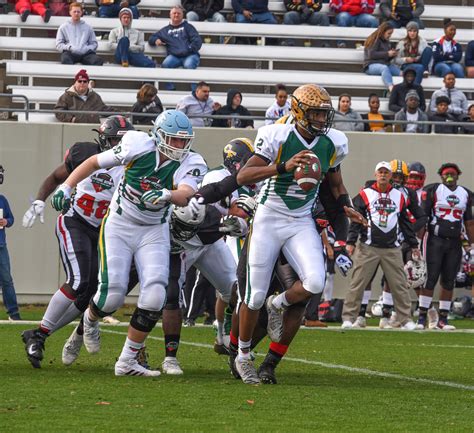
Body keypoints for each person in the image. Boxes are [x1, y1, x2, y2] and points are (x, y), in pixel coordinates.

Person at [50, 110, 207, 377]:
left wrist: (167, 194)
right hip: (120, 225)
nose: (179, 145)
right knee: (112, 295)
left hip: (154, 230)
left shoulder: (193, 161)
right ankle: (89, 320)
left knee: (156, 294)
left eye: (183, 140)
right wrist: (66, 186)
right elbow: (94, 162)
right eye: (173, 139)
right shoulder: (137, 144)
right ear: (158, 136)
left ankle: (126, 361)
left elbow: (186, 194)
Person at [233, 84, 352, 384]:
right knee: (255, 294)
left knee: (314, 281)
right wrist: (283, 166)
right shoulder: (277, 135)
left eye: (325, 113)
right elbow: (243, 176)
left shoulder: (333, 142)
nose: (322, 119)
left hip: (300, 219)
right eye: (315, 112)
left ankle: (280, 303)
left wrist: (344, 206)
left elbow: (336, 184)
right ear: (298, 111)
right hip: (269, 217)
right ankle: (243, 356)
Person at [21, 116, 136, 369]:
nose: (121, 144)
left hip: (105, 230)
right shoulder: (85, 153)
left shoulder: (133, 164)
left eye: (125, 140)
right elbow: (55, 176)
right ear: (105, 139)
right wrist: (40, 200)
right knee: (79, 281)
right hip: (75, 222)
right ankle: (41, 334)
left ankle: (39, 334)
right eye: (117, 139)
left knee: (92, 290)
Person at [341, 162, 419, 330]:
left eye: (386, 172)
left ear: (390, 176)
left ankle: (405, 320)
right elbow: (355, 220)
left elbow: (405, 222)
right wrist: (350, 242)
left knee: (399, 285)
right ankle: (349, 317)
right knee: (357, 282)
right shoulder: (365, 194)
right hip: (368, 246)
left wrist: (413, 244)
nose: (383, 175)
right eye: (380, 172)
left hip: (392, 248)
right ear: (375, 174)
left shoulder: (399, 196)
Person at [417, 163, 473, 330]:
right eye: (446, 173)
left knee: (449, 280)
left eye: (453, 174)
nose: (449, 176)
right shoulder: (434, 190)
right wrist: (418, 242)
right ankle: (422, 318)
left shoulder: (464, 193)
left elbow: (469, 222)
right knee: (430, 278)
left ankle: (443, 319)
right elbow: (423, 216)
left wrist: (471, 244)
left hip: (455, 241)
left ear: (458, 175)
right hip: (435, 239)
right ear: (441, 176)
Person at [148, 6, 202, 91]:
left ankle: (195, 92)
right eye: (174, 13)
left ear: (182, 15)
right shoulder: (165, 30)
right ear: (170, 15)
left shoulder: (188, 27)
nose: (176, 15)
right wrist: (156, 40)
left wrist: (188, 49)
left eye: (178, 13)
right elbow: (151, 38)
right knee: (165, 64)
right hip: (175, 56)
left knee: (189, 65)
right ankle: (171, 89)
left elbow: (197, 41)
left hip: (190, 55)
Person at [0, 166, 20, 321]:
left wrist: (6, 221)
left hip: (1, 246)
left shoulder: (2, 200)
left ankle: (13, 313)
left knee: (7, 279)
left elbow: (11, 219)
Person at [363, 22, 401, 93]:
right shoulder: (375, 39)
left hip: (384, 63)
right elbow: (371, 54)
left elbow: (385, 57)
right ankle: (391, 87)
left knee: (401, 73)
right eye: (389, 33)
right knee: (384, 68)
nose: (390, 35)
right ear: (383, 31)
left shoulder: (386, 41)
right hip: (370, 65)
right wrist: (387, 53)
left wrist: (392, 55)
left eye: (391, 34)